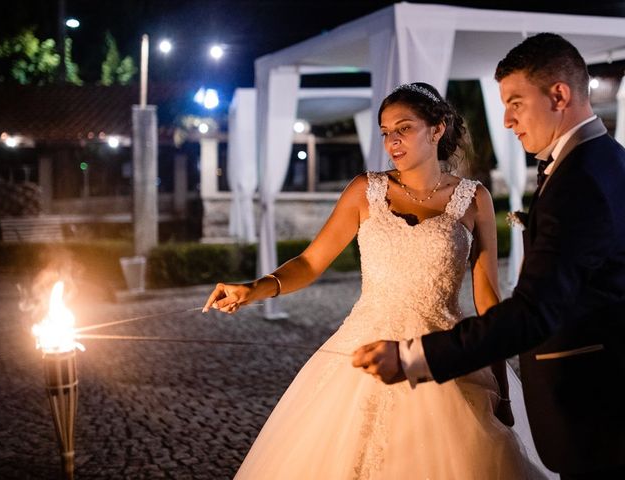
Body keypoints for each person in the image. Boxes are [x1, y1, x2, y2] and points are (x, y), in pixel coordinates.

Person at [203, 82, 548, 479]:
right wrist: (253, 288)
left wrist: (503, 386)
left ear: (437, 129)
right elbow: (311, 262)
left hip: (442, 353)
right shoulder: (365, 191)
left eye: (403, 128)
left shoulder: (475, 198)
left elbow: (488, 298)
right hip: (363, 349)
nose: (392, 141)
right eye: (385, 132)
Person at [352, 33, 625, 480]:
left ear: (559, 94)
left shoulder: (582, 181)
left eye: (516, 102)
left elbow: (533, 311)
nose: (506, 120)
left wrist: (412, 358)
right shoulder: (607, 161)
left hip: (593, 405)